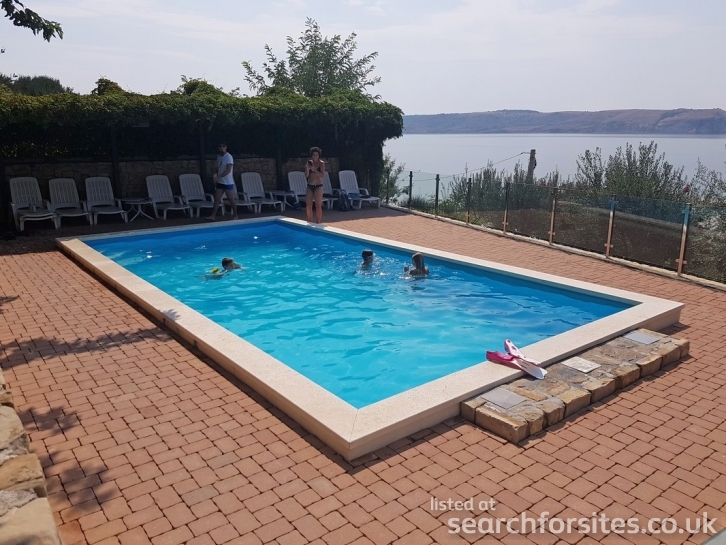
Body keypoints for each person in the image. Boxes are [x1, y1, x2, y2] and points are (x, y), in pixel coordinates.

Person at [205, 143, 237, 221]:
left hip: (228, 182)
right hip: (220, 182)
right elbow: (218, 168)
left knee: (231, 199)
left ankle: (235, 215)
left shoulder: (229, 157)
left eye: (223, 146)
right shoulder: (219, 157)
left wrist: (219, 176)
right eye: (220, 146)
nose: (222, 148)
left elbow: (228, 170)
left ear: (226, 147)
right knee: (217, 199)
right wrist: (215, 176)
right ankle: (213, 216)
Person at [304, 146, 325, 224]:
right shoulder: (309, 163)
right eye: (313, 155)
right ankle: (310, 221)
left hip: (318, 186)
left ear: (319, 155)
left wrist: (314, 169)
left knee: (318, 205)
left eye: (316, 155)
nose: (315, 156)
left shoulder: (321, 163)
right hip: (310, 185)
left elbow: (322, 175)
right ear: (311, 156)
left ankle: (318, 222)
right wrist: (307, 169)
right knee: (308, 205)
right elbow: (306, 176)